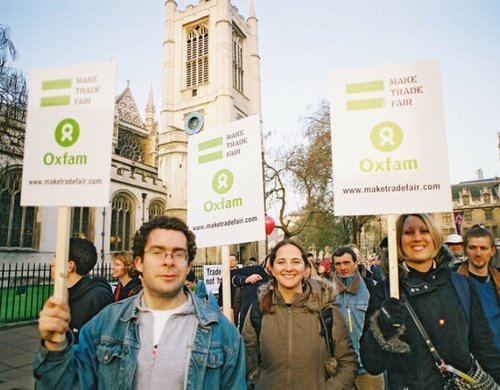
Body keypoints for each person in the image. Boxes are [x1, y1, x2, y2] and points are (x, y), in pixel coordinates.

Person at [34, 216, 246, 389]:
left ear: (189, 265)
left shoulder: (224, 334)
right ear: (139, 263)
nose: (168, 261)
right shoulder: (106, 323)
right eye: (157, 252)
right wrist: (55, 346)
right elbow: (66, 384)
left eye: (178, 254)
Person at [360, 213, 500, 388]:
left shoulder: (461, 285)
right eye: (409, 232)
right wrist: (382, 328)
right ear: (399, 241)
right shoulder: (386, 291)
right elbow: (372, 365)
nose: (417, 238)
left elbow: (485, 349)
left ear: (434, 236)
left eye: (424, 231)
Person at [243, 239, 357, 389]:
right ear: (271, 268)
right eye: (281, 262)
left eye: (296, 262)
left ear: (305, 269)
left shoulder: (326, 311)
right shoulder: (257, 312)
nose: (289, 268)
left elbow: (348, 362)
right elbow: (245, 365)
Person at [332, 246, 384, 389]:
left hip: (368, 368)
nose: (342, 267)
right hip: (339, 369)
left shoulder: (372, 287)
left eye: (347, 262)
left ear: (356, 263)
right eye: (338, 263)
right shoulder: (326, 292)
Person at [49, 237, 114, 344]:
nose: (52, 263)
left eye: (57, 256)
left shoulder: (97, 297)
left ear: (70, 266)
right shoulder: (64, 293)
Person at [456, 226, 500, 348]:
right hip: (473, 356)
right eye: (472, 248)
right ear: (465, 250)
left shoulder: (497, 278)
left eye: (484, 248)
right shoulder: (453, 282)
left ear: (493, 251)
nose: (478, 253)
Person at [231, 256, 270, 332]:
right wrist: (245, 279)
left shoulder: (282, 278)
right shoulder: (255, 270)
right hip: (247, 319)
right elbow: (231, 276)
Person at [217, 253, 241, 326]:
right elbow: (221, 291)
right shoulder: (225, 274)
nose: (230, 262)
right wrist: (220, 304)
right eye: (228, 260)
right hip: (227, 305)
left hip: (238, 305)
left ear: (237, 262)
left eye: (232, 260)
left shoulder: (241, 274)